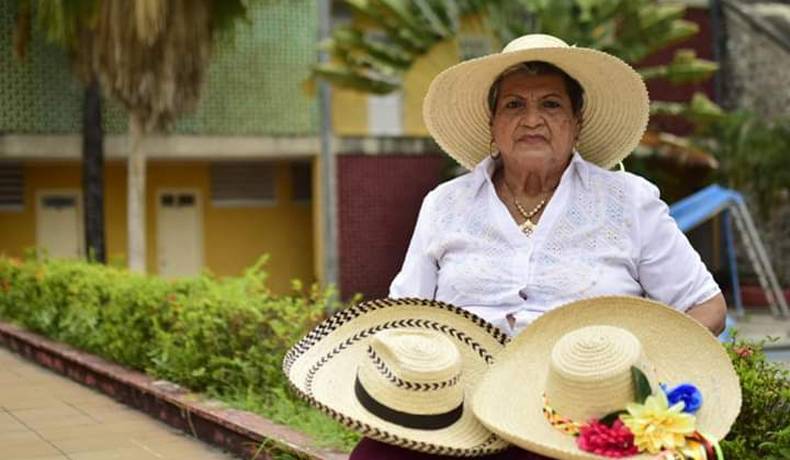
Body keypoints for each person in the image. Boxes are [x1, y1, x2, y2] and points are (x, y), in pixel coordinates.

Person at [390, 33, 726, 338]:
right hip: (463, 393)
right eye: (514, 105)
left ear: (577, 124)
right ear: (493, 126)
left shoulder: (629, 200)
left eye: (551, 104)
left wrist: (641, 363)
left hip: (591, 396)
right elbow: (403, 315)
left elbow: (706, 307)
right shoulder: (444, 204)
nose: (532, 120)